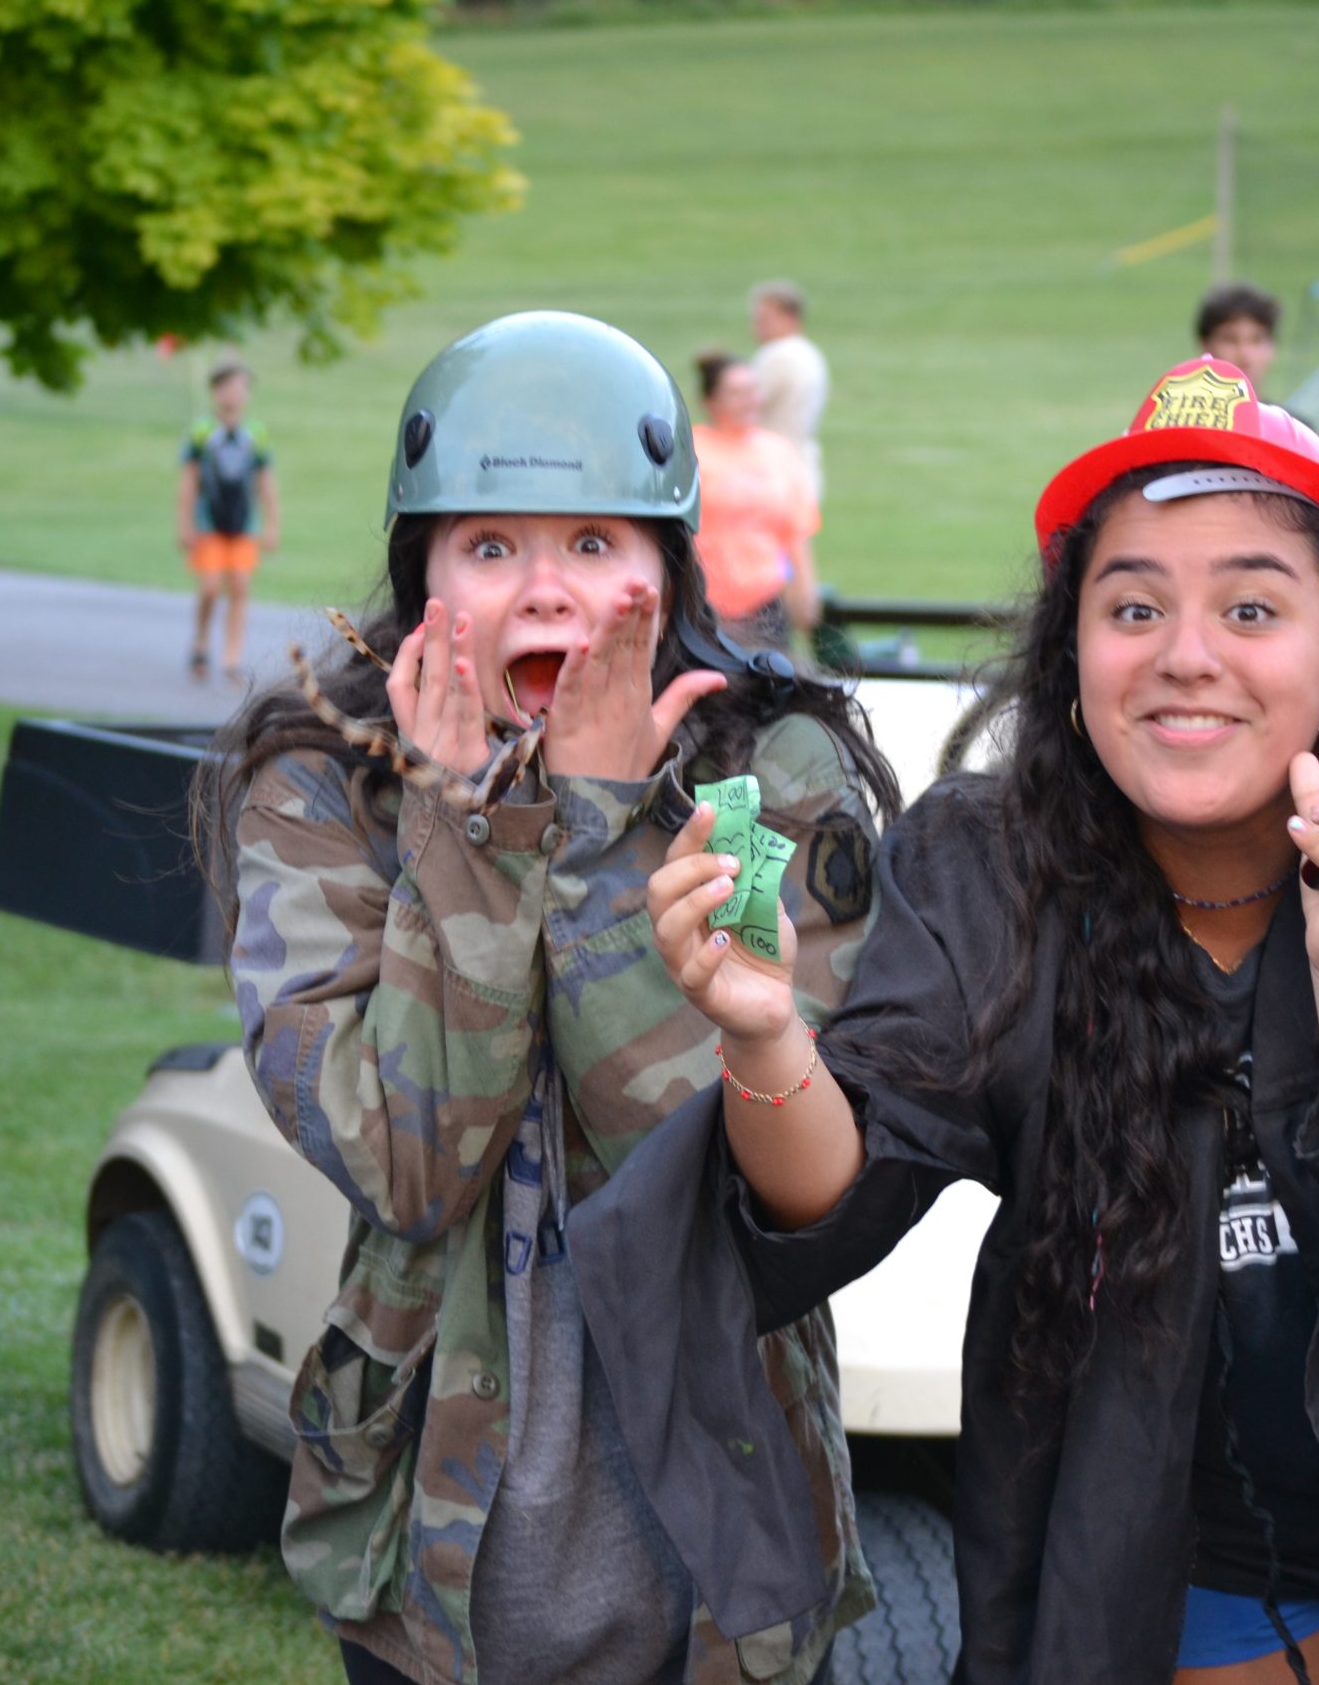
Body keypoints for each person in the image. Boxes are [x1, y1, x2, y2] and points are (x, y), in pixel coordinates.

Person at [579, 356, 1319, 1685]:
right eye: (1132, 605)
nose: (1185, 655)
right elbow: (840, 1183)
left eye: (1252, 605)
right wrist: (762, 1035)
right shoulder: (1003, 872)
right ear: (1073, 651)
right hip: (1196, 1522)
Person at [201, 311, 898, 1685]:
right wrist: (468, 832)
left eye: (594, 543)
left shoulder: (769, 775)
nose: (547, 589)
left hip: (722, 1551)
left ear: (667, 563)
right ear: (422, 574)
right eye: (490, 545)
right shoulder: (325, 789)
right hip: (431, 1565)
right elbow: (408, 1165)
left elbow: (706, 1166)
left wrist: (590, 828)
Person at [689, 349, 822, 648]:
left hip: (764, 604)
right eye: (736, 393)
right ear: (711, 402)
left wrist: (805, 591)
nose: (749, 401)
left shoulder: (778, 452)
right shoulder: (693, 450)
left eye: (752, 391)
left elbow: (795, 529)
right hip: (703, 603)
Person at [178, 359, 281, 683]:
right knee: (209, 587)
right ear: (216, 390)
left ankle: (231, 658)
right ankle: (200, 642)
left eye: (242, 387)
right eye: (231, 385)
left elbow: (265, 482)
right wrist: (184, 524)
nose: (236, 393)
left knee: (240, 585)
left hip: (243, 523)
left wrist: (271, 523)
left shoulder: (256, 434)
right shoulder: (202, 431)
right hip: (209, 522)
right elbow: (190, 481)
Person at [749, 281, 829, 501]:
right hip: (802, 462)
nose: (756, 327)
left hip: (770, 468)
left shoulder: (777, 355)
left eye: (764, 320)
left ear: (790, 317)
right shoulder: (810, 353)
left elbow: (747, 404)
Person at [1195, 283, 1280, 397]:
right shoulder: (1177, 414)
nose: (1245, 353)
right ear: (1205, 345)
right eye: (1230, 340)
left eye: (1256, 340)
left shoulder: (1285, 415)